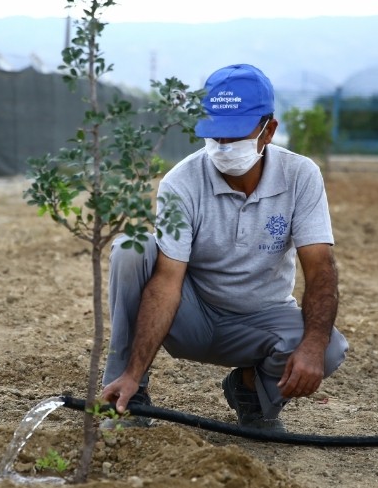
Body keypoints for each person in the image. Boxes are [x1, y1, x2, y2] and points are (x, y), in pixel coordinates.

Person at [100, 63, 348, 431]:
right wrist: (134, 372)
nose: (224, 147)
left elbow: (320, 268)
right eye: (216, 134)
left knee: (327, 349)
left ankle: (250, 391)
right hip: (191, 317)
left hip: (260, 318)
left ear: (269, 131)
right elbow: (168, 281)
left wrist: (311, 345)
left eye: (236, 135)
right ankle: (127, 392)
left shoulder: (300, 175)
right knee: (131, 250)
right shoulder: (181, 182)